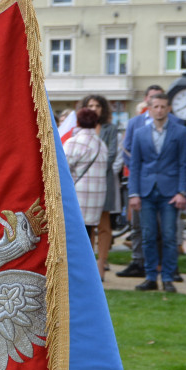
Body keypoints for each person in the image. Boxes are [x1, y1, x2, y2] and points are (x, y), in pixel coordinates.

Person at [128, 92, 186, 293]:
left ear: (169, 109)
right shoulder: (140, 133)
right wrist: (133, 193)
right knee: (148, 235)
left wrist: (182, 192)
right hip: (145, 192)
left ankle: (169, 278)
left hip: (171, 193)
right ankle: (151, 277)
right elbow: (134, 165)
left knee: (170, 236)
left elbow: (183, 164)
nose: (160, 110)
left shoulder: (180, 133)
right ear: (150, 108)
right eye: (156, 106)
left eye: (163, 107)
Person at [116, 85, 174, 278]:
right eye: (152, 100)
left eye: (160, 103)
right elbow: (127, 151)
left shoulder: (175, 125)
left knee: (166, 230)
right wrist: (140, 172)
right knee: (141, 228)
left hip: (167, 185)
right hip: (142, 182)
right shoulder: (136, 123)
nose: (157, 106)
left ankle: (166, 269)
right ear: (147, 102)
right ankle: (140, 263)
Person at [63, 107, 109, 276]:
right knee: (89, 234)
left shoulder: (74, 142)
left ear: (78, 122)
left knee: (75, 236)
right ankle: (88, 272)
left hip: (78, 196)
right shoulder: (101, 144)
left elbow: (63, 168)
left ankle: (77, 271)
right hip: (96, 197)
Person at [79, 94, 119, 277]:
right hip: (84, 186)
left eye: (97, 105)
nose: (94, 108)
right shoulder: (77, 131)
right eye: (90, 105)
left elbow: (111, 155)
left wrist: (95, 171)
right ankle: (88, 266)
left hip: (104, 183)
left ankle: (101, 264)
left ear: (103, 108)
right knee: (88, 225)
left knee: (104, 226)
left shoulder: (110, 129)